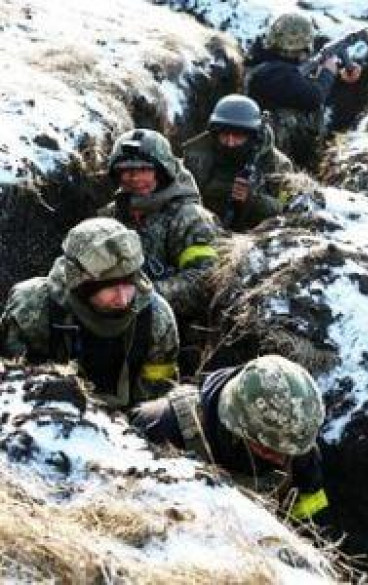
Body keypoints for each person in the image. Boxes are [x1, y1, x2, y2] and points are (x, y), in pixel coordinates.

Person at [0, 218, 179, 408]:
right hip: (43, 413)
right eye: (110, 288)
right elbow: (11, 389)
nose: (123, 299)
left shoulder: (157, 319)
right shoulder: (32, 308)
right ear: (81, 287)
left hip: (129, 420)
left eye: (129, 284)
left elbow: (157, 398)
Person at [130, 354, 329, 522]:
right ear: (235, 424)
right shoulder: (161, 425)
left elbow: (309, 519)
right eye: (268, 449)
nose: (281, 459)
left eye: (289, 451)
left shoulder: (294, 443)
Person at [101, 129, 219, 319]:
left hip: (175, 323)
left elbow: (206, 280)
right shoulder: (109, 217)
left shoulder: (190, 218)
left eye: (144, 170)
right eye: (126, 171)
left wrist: (142, 295)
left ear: (163, 172)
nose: (135, 178)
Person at [244, 12, 362, 168]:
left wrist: (338, 74)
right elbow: (314, 97)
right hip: (269, 150)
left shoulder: (266, 62)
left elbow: (298, 82)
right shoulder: (276, 73)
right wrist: (328, 72)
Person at [183, 94, 294, 231]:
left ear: (252, 136)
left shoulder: (279, 165)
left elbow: (288, 210)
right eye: (225, 135)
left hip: (257, 234)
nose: (230, 142)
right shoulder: (197, 155)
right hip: (202, 228)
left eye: (238, 136)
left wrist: (254, 199)